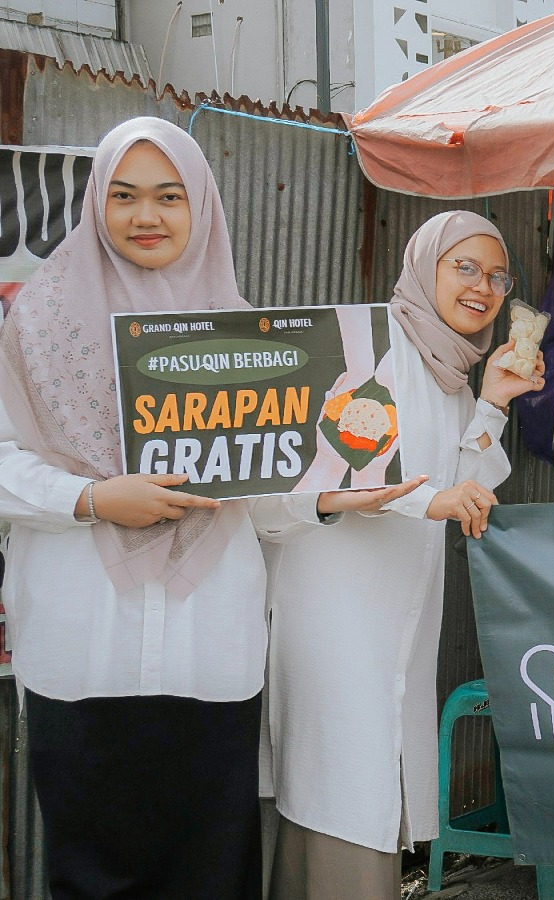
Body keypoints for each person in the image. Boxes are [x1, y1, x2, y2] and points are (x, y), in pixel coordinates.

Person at [0, 117, 314, 899]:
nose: (147, 216)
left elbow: (264, 498)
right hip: (84, 647)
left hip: (208, 649)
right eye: (125, 195)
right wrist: (90, 497)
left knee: (211, 874)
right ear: (96, 203)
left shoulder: (247, 336)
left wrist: (332, 494)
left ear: (201, 205)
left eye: (169, 196)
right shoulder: (35, 325)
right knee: (90, 875)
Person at [260, 211, 545, 900]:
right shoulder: (368, 350)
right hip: (333, 610)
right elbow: (324, 476)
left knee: (363, 784)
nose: (483, 287)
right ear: (424, 267)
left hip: (396, 618)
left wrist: (494, 403)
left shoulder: (448, 369)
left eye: (498, 276)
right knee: (339, 784)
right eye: (465, 267)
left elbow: (461, 485)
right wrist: (430, 501)